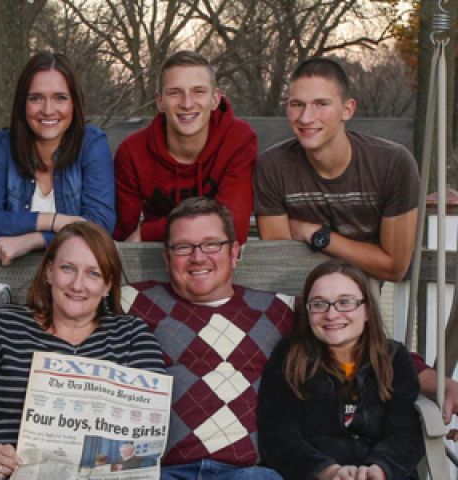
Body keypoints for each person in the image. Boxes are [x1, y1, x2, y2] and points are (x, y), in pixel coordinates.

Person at [125, 197, 453, 479]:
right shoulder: (133, 302)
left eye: (212, 244)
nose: (198, 257)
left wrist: (437, 382)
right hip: (162, 470)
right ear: (167, 257)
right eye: (183, 247)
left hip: (249, 473)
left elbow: (351, 337)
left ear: (236, 252)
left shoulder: (276, 309)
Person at [0, 222, 165, 479]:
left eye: (93, 273)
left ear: (107, 285)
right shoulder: (1, 324)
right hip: (6, 474)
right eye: (67, 268)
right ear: (49, 272)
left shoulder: (132, 336)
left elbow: (149, 427)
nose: (77, 285)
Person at [254, 57, 418, 282]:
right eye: (297, 104)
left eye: (321, 104)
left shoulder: (392, 163)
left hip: (362, 300)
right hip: (294, 296)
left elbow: (394, 268)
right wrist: (365, 255)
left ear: (347, 109)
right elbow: (281, 264)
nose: (306, 117)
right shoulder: (273, 166)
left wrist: (316, 235)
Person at [258, 261, 423, 480]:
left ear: (366, 311)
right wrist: (327, 471)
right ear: (307, 311)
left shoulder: (393, 358)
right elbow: (278, 436)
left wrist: (379, 469)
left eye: (345, 302)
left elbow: (406, 433)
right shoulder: (289, 358)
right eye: (319, 304)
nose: (332, 314)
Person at [0, 52, 115, 265]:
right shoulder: (2, 145)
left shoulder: (91, 144)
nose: (48, 110)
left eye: (60, 98)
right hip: (8, 278)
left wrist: (35, 239)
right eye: (36, 98)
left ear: (74, 103)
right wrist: (55, 221)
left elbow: (100, 225)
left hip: (76, 282)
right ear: (22, 103)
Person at [112, 50, 256, 245]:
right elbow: (125, 237)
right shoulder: (133, 153)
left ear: (215, 99)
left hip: (218, 264)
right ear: (160, 102)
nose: (187, 103)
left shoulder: (237, 140)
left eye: (198, 91)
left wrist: (148, 233)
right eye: (174, 93)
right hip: (153, 262)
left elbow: (233, 228)